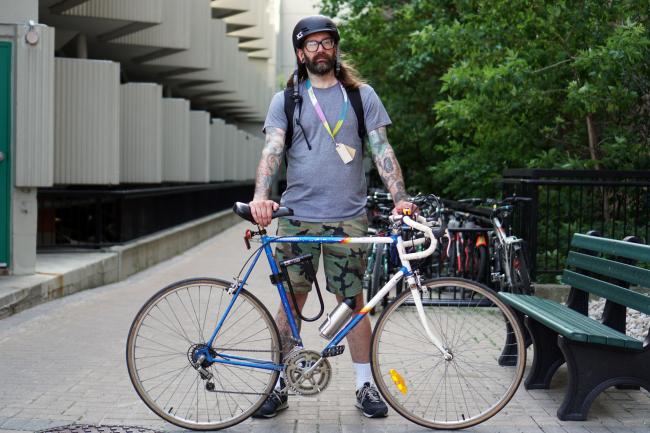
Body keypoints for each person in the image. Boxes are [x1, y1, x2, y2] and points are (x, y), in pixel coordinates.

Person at [249, 15, 417, 419]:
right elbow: (272, 151)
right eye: (312, 44)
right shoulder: (286, 99)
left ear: (335, 48)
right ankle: (279, 384)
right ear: (300, 53)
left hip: (348, 219)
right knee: (291, 302)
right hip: (298, 218)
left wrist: (401, 197)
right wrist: (260, 196)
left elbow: (381, 150)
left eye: (327, 42)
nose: (321, 49)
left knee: (353, 303)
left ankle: (365, 386)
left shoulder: (361, 95)